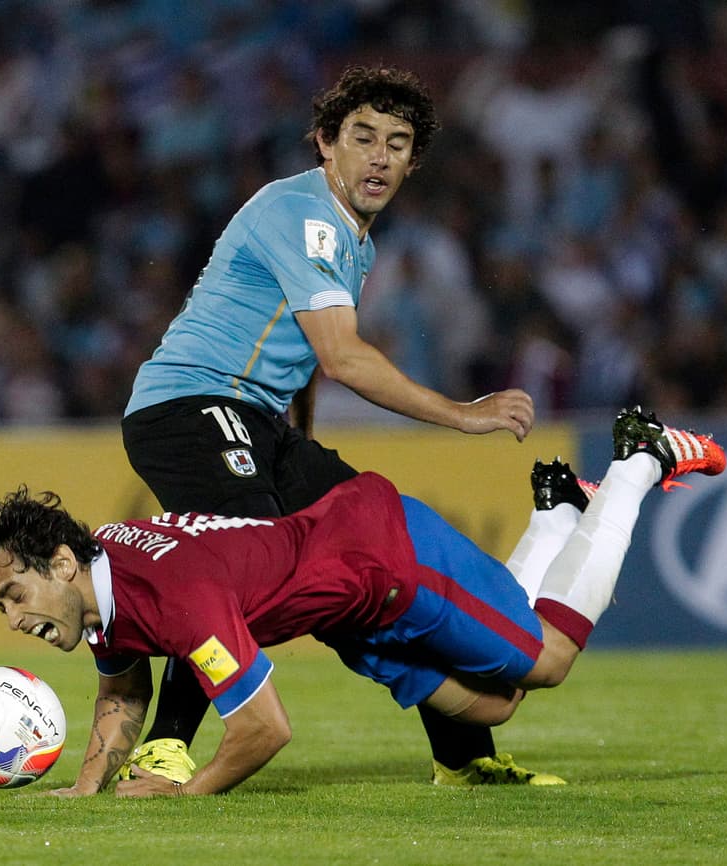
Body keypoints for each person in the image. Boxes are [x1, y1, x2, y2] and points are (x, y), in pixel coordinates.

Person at [119, 63, 544, 788]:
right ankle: (162, 746)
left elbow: (308, 358)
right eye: (363, 137)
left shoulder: (354, 240)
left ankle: (463, 759)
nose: (380, 157)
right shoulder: (304, 215)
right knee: (238, 562)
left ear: (414, 161)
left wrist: (300, 442)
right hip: (187, 406)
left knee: (381, 549)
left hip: (256, 421)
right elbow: (343, 357)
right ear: (325, 142)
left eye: (399, 143)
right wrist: (462, 415)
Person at [0, 407, 727, 797]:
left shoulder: (174, 597)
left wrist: (187, 790)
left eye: (14, 594)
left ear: (58, 562)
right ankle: (557, 511)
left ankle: (636, 464)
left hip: (385, 556)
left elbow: (263, 730)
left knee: (547, 662)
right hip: (349, 613)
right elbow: (121, 686)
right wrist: (87, 792)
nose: (14, 621)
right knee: (492, 709)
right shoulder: (102, 582)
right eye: (0, 610)